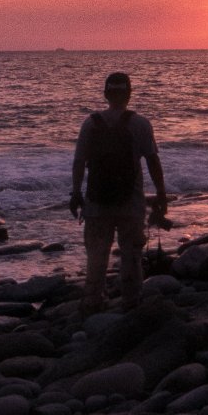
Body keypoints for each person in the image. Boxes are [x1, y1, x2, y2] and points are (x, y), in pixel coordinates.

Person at [69, 71, 168, 312]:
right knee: (131, 255)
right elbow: (153, 162)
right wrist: (161, 193)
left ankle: (93, 300)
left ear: (105, 94)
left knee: (96, 255)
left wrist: (75, 193)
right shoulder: (140, 123)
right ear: (129, 94)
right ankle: (132, 302)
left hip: (96, 202)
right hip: (131, 203)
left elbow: (79, 162)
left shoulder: (90, 123)